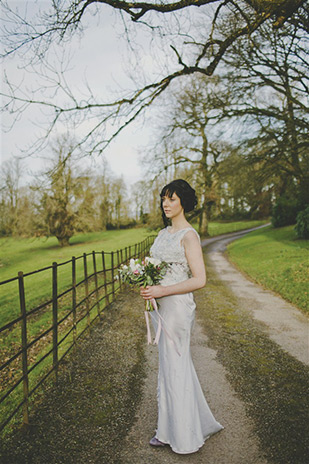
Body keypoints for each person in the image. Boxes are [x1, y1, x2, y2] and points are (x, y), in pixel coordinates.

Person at [140, 179, 224, 455]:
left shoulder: (188, 236)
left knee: (175, 366)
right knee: (168, 366)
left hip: (176, 307)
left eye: (172, 199)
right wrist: (146, 280)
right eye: (164, 198)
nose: (166, 203)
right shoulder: (163, 234)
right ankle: (167, 429)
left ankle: (183, 437)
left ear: (184, 203)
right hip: (160, 307)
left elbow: (200, 279)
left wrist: (163, 289)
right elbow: (156, 266)